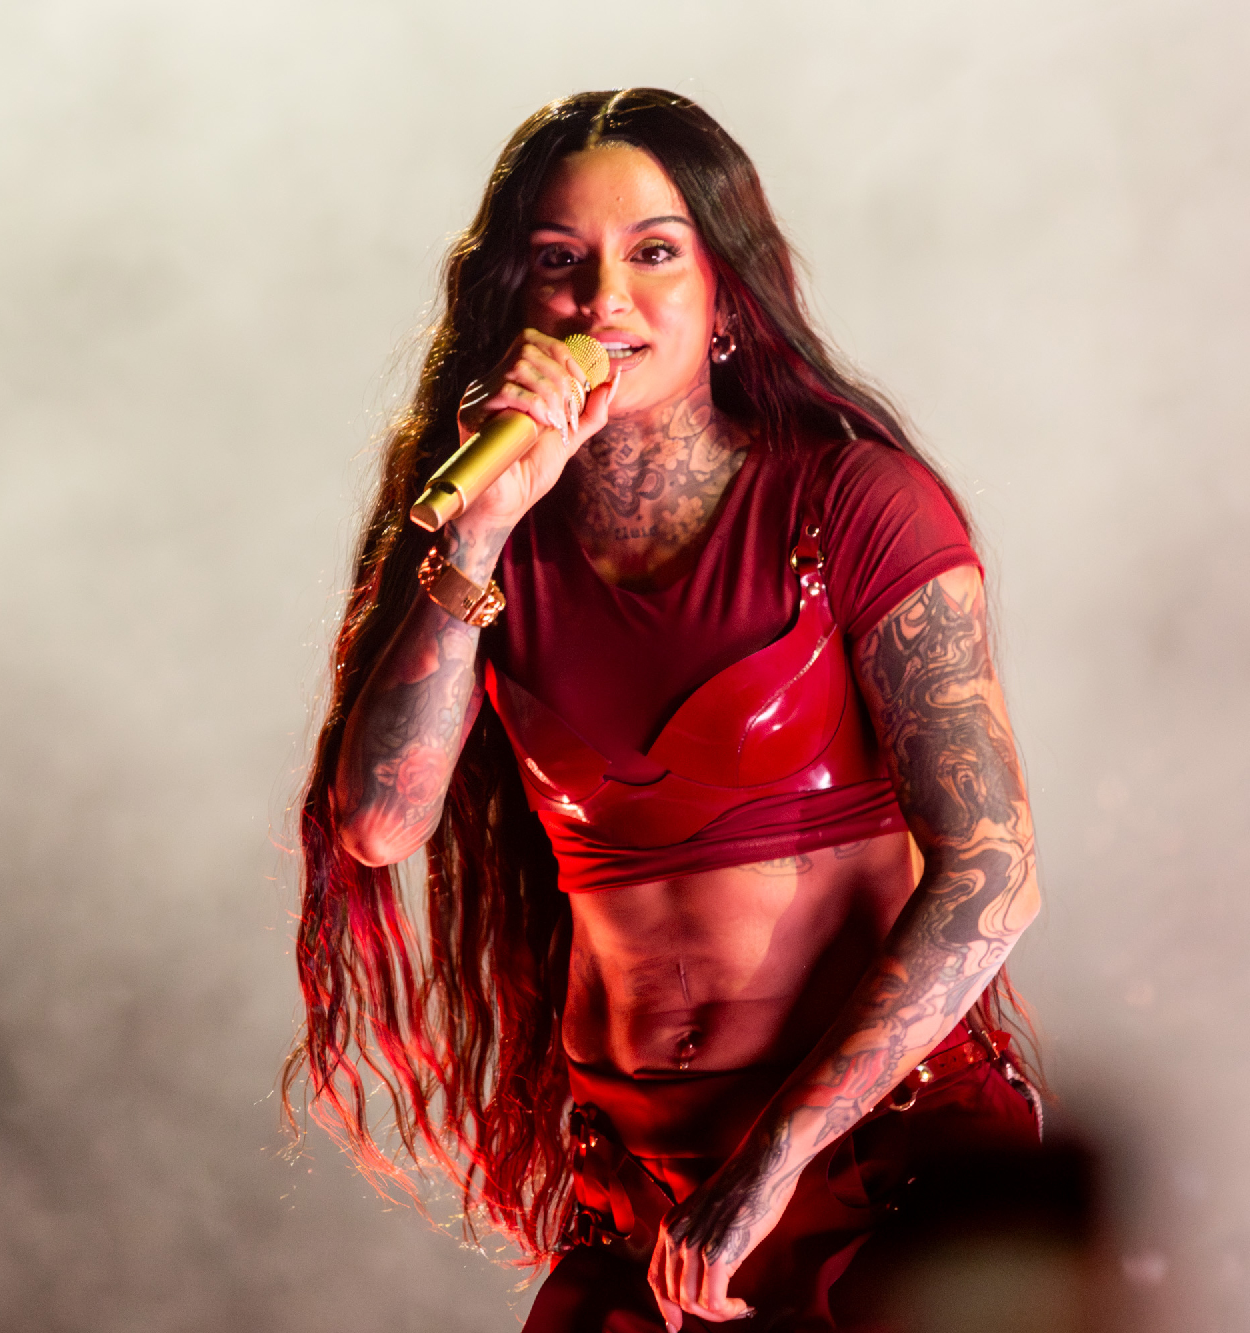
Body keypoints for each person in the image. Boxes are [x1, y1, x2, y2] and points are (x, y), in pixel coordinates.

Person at [284, 89, 1044, 1332]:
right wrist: (474, 534)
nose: (603, 300)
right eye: (558, 262)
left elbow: (993, 874)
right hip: (639, 1188)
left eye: (651, 252)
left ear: (725, 292)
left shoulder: (854, 504)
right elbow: (377, 824)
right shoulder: (495, 544)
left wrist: (770, 1163)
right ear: (512, 299)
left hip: (870, 1167)